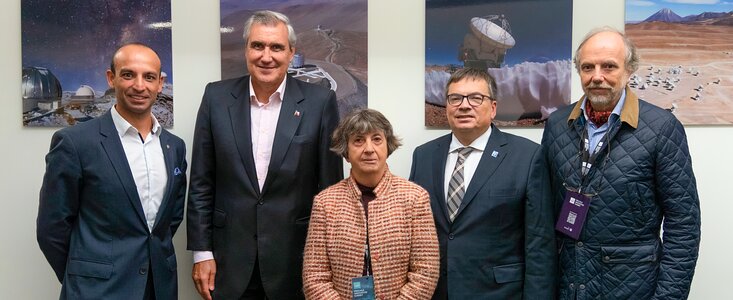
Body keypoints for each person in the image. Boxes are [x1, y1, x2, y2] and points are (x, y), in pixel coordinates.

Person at [186, 10, 343, 300]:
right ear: (246, 49)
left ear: (291, 51)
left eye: (277, 47)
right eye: (258, 45)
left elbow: (330, 191)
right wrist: (201, 252)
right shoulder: (216, 98)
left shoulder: (320, 103)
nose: (266, 56)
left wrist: (328, 261)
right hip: (227, 263)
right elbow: (201, 182)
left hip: (296, 263)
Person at [541, 27, 701, 299]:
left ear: (629, 70)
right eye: (588, 67)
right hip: (567, 284)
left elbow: (683, 225)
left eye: (609, 67)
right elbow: (543, 210)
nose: (597, 76)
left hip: (632, 287)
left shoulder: (662, 128)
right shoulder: (557, 124)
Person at [37, 43, 187, 300]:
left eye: (149, 77)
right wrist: (84, 276)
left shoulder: (174, 146)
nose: (139, 86)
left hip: (158, 288)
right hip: (96, 292)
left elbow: (169, 220)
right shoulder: (75, 142)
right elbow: (52, 228)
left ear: (160, 83)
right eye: (128, 74)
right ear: (111, 78)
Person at [410, 67, 557, 299]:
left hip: (499, 293)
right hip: (436, 292)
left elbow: (540, 243)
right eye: (455, 98)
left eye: (476, 98)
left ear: (493, 108)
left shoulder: (527, 156)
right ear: (447, 106)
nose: (464, 105)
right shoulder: (423, 156)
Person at [303, 108, 439, 299]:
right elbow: (314, 276)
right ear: (346, 151)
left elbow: (425, 272)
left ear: (388, 146)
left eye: (377, 139)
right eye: (358, 140)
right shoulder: (325, 203)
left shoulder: (415, 198)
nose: (369, 149)